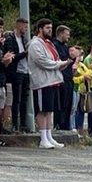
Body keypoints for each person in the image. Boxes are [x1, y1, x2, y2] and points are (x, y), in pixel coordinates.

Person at [27, 19, 72, 149]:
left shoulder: (48, 43)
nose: (50, 30)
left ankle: (49, 136)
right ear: (40, 29)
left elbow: (54, 59)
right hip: (42, 81)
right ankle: (43, 138)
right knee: (43, 110)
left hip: (52, 80)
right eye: (47, 28)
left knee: (49, 110)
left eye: (51, 28)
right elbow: (43, 61)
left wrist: (63, 64)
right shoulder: (35, 44)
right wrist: (60, 64)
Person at [4, 17, 30, 132]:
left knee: (24, 99)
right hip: (16, 71)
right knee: (16, 99)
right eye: (24, 27)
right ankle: (15, 123)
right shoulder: (10, 38)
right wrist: (25, 53)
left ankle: (23, 124)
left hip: (25, 71)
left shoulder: (24, 39)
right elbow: (12, 56)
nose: (26, 29)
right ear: (19, 26)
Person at [53, 25, 73, 131]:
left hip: (69, 78)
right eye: (67, 34)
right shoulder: (54, 45)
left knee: (68, 104)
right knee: (61, 104)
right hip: (61, 78)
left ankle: (66, 125)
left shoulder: (65, 46)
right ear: (61, 33)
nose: (68, 36)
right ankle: (59, 125)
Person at [70, 47, 92, 136]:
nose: (81, 57)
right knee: (73, 109)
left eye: (82, 55)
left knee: (80, 110)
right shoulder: (73, 65)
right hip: (75, 88)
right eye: (80, 55)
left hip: (81, 90)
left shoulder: (82, 65)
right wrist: (83, 77)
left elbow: (89, 72)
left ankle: (79, 128)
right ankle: (72, 127)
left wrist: (84, 75)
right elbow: (74, 78)